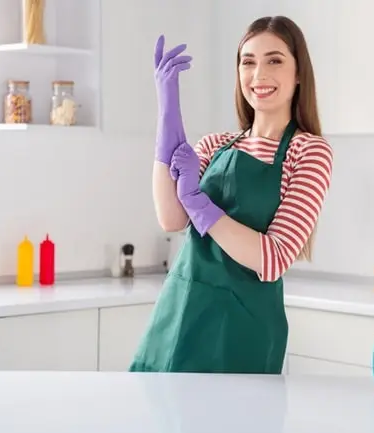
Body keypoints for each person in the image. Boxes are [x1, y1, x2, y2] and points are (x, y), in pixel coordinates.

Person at [129, 15, 334, 374]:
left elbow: (273, 259)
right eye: (248, 61)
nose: (259, 74)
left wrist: (198, 201)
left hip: (241, 331)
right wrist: (167, 111)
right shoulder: (216, 144)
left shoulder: (308, 151)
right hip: (179, 315)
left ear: (299, 72)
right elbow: (172, 218)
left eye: (274, 60)